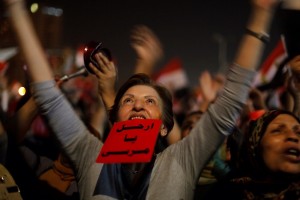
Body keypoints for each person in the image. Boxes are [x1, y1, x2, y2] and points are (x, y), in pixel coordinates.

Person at [4, 0, 279, 199]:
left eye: (150, 102)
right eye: (127, 101)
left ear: (163, 126)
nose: (137, 105)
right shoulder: (89, 155)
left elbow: (229, 102)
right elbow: (50, 98)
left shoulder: (182, 160)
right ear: (114, 118)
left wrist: (260, 16)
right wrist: (16, 9)